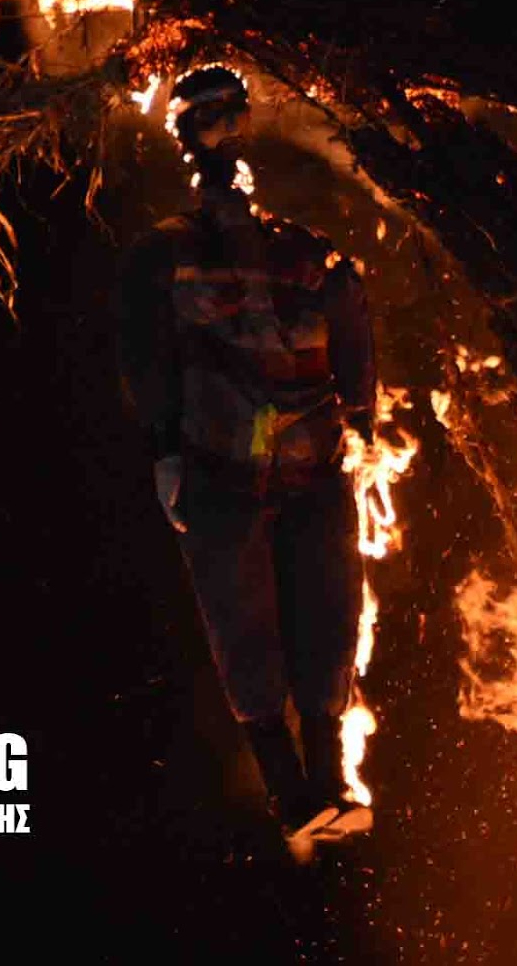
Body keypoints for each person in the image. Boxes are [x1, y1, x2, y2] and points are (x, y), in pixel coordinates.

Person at [118, 64, 376, 855]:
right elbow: (148, 357)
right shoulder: (167, 253)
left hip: (298, 466)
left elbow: (350, 320)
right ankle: (294, 792)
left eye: (230, 116)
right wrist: (166, 450)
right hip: (227, 468)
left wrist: (361, 420)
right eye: (210, 119)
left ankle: (320, 784)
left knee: (320, 619)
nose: (223, 134)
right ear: (186, 134)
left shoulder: (298, 250)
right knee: (250, 629)